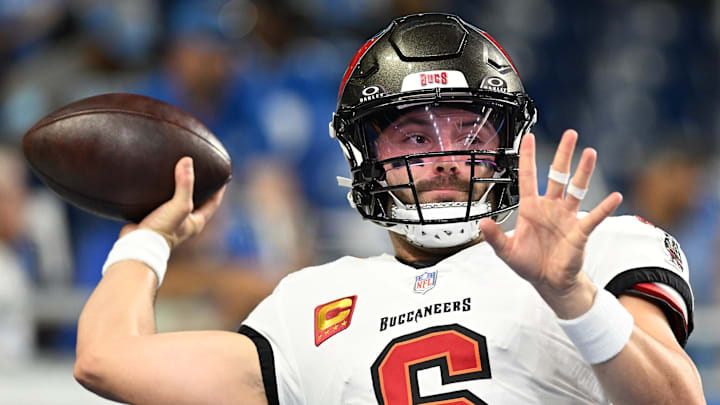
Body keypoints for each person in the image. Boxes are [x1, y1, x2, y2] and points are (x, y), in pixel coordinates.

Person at [73, 13, 705, 404]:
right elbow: (106, 361)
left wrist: (574, 299)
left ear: (507, 148)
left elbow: (678, 403)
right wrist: (150, 238)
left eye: (469, 133)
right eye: (413, 137)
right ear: (361, 157)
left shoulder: (595, 251)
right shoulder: (307, 306)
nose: (443, 157)